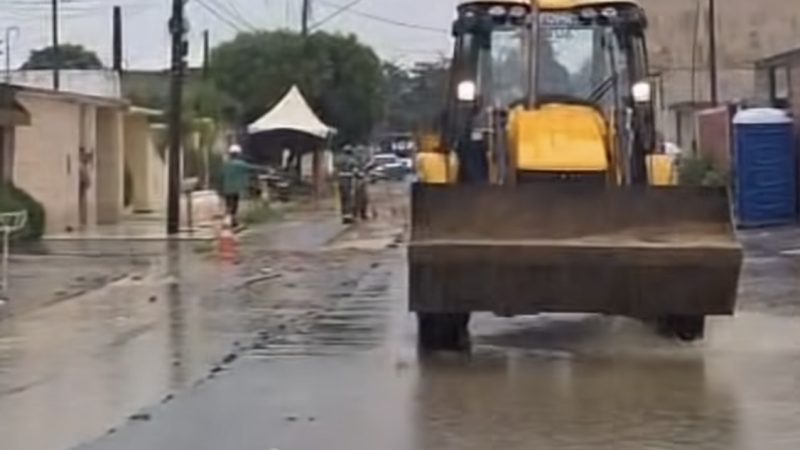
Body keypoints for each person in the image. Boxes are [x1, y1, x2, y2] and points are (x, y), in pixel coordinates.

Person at [221, 144, 258, 228]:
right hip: (235, 189)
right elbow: (251, 168)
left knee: (229, 205)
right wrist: (267, 169)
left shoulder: (226, 164)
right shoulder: (240, 164)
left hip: (226, 189)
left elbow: (221, 175)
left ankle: (230, 221)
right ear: (238, 154)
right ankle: (230, 222)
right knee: (234, 206)